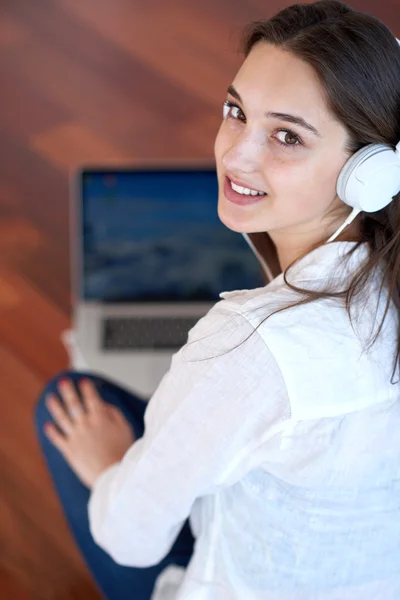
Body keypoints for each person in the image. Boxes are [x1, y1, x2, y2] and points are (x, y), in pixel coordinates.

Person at [34, 1, 400, 599]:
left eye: (287, 135)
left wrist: (107, 467)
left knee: (63, 401)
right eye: (236, 111)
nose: (235, 156)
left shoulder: (247, 346)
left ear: (371, 172)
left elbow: (131, 539)